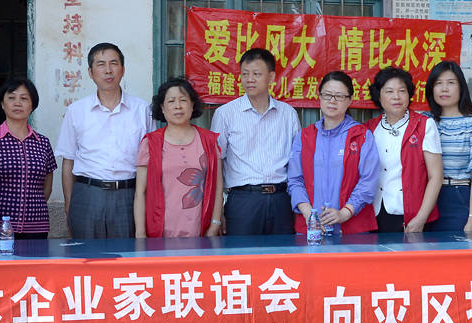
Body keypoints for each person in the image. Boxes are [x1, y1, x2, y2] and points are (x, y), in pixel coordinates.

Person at [57, 43, 153, 238]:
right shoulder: (76, 111)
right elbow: (68, 161)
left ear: (122, 70)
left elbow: (152, 160)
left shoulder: (142, 110)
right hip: (87, 195)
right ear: (90, 72)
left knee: (127, 254)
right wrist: (69, 204)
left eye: (113, 63)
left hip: (129, 195)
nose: (108, 70)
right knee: (86, 254)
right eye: (100, 64)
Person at [211, 48, 300, 235]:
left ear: (271, 77)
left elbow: (297, 162)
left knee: (282, 253)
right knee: (242, 252)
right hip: (243, 200)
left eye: (256, 74)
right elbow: (216, 163)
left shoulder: (288, 114)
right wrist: (217, 210)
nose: (249, 79)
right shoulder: (226, 114)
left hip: (281, 199)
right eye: (245, 74)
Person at [287, 71, 380, 234]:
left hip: (352, 228)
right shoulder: (304, 136)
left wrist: (345, 213)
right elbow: (295, 180)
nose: (332, 100)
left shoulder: (362, 136)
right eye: (328, 95)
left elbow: (369, 180)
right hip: (311, 228)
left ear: (350, 100)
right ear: (319, 96)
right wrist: (309, 214)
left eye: (339, 96)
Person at [134, 78, 223, 238]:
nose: (178, 106)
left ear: (192, 105)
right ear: (162, 108)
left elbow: (217, 186)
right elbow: (141, 192)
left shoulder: (209, 141)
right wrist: (140, 234)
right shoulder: (150, 143)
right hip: (160, 231)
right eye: (171, 101)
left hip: (201, 230)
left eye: (183, 100)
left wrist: (214, 224)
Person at [364, 67, 443, 233]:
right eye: (389, 91)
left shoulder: (424, 125)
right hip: (374, 212)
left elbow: (435, 176)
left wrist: (421, 218)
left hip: (412, 214)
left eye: (402, 91)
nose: (396, 97)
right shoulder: (369, 129)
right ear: (378, 95)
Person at [0, 78, 57, 239]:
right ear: (2, 104)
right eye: (11, 98)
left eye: (24, 98)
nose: (17, 103)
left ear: (32, 106)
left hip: (36, 224)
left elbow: (47, 186)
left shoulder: (43, 142)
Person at [424, 61, 472, 232]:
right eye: (438, 83)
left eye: (451, 83)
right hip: (424, 197)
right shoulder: (424, 121)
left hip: (457, 196)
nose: (444, 89)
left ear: (461, 87)